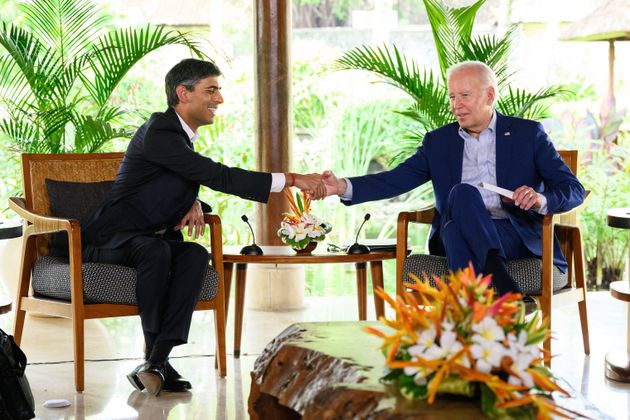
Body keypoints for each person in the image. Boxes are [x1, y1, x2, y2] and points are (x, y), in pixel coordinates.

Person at [81, 58, 323, 396]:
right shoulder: (160, 131)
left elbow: (171, 181)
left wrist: (194, 204)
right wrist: (292, 179)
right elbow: (216, 175)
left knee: (194, 254)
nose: (219, 99)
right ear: (183, 93)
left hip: (148, 239)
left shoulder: (178, 136)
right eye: (211, 90)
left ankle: (155, 361)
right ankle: (156, 361)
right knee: (156, 251)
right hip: (110, 239)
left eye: (219, 91)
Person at [320, 60, 585, 309]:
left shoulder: (528, 134)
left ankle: (468, 330)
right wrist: (342, 187)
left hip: (513, 235)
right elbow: (395, 179)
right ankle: (499, 283)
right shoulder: (439, 142)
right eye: (452, 97)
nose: (456, 105)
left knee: (455, 231)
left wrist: (540, 199)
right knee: (461, 197)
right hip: (462, 232)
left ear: (490, 96)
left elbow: (573, 189)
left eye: (465, 96)